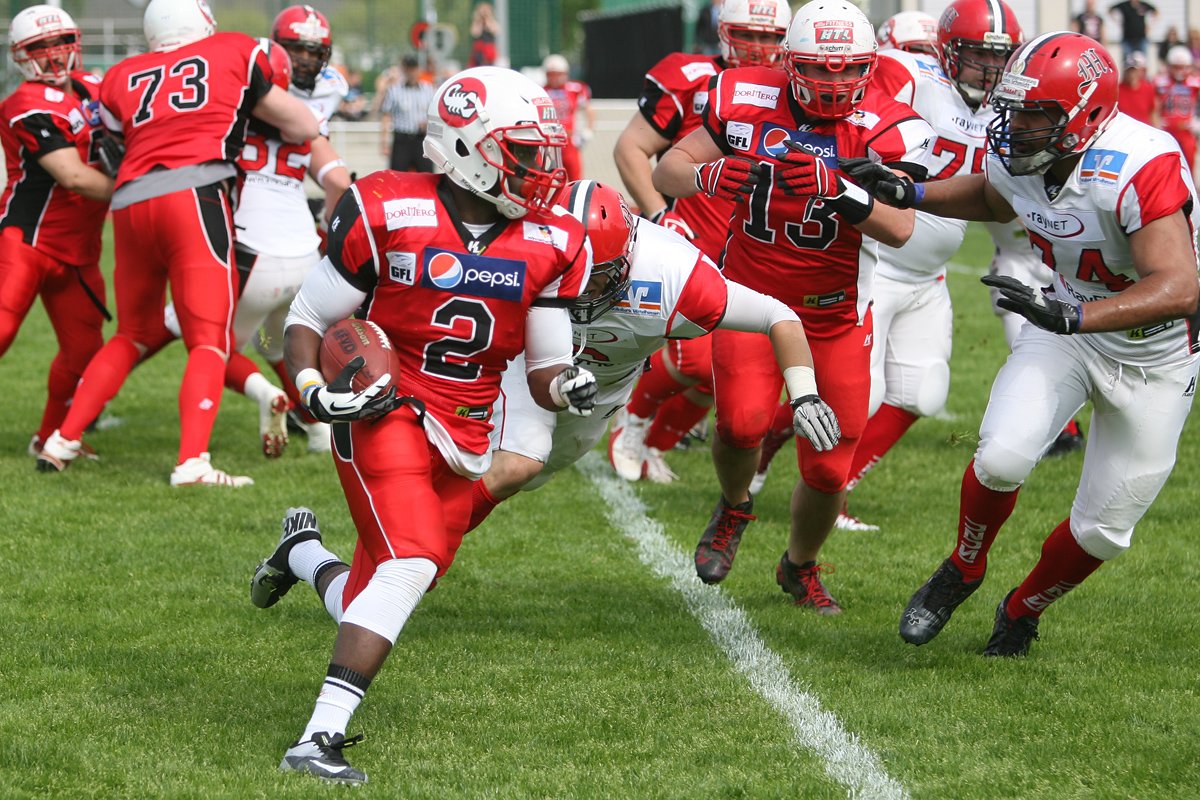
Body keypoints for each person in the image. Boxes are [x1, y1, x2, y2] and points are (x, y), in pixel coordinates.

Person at [248, 66, 598, 784]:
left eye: (542, 150)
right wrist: (313, 390)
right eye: (522, 151)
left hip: (467, 428)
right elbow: (308, 318)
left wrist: (568, 384)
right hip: (386, 405)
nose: (541, 168)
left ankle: (303, 553)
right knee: (408, 564)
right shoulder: (387, 207)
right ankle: (316, 740)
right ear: (465, 147)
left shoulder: (556, 236)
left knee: (384, 591)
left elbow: (544, 370)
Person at [845, 32, 1200, 657]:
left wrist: (1076, 315)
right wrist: (910, 191)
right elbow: (993, 196)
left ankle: (1022, 608)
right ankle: (963, 567)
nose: (1016, 126)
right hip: (1067, 329)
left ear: (1085, 114)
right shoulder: (1028, 150)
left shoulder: (1137, 162)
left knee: (1104, 529)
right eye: (1014, 109)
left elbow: (1179, 286)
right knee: (1002, 457)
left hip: (1156, 355)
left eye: (1035, 113)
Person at [652, 0, 935, 611]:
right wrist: (705, 177)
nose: (835, 81)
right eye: (819, 68)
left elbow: (901, 228)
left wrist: (843, 192)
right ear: (789, 61)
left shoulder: (890, 125)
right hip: (752, 300)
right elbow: (668, 170)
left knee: (830, 469)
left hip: (835, 314)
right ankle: (734, 505)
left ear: (869, 65)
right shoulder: (743, 95)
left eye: (849, 68)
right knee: (740, 424)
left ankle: (799, 565)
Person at [35, 0, 320, 484]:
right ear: (204, 22)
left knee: (132, 334)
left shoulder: (120, 75)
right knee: (208, 338)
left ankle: (62, 440)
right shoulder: (233, 49)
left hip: (130, 201)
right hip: (195, 193)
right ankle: (192, 463)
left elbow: (117, 140)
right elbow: (304, 126)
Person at [470, 180, 839, 531]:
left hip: (602, 390)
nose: (577, 287)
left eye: (594, 274)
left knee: (535, 473)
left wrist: (804, 395)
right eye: (567, 270)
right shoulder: (528, 240)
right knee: (512, 463)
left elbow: (778, 315)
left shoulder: (675, 276)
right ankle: (434, 547)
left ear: (626, 258)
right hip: (529, 361)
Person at [609, 0, 790, 484]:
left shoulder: (794, 89)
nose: (760, 47)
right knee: (697, 360)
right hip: (693, 240)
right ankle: (633, 419)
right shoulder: (692, 77)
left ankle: (653, 443)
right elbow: (631, 148)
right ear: (724, 32)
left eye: (771, 37)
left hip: (759, 248)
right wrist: (659, 213)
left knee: (726, 374)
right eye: (749, 34)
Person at [222, 4, 353, 456]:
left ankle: (267, 395)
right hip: (305, 253)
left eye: (313, 52)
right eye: (299, 50)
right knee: (279, 345)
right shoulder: (323, 99)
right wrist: (329, 233)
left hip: (252, 245)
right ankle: (320, 431)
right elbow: (339, 181)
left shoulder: (244, 87)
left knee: (210, 345)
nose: (306, 59)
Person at [0, 6, 115, 458]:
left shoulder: (95, 86)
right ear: (20, 55)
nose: (53, 54)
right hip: (28, 242)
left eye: (61, 42)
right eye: (40, 47)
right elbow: (73, 177)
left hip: (80, 250)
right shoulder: (25, 103)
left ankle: (49, 435)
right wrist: (141, 191)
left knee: (84, 349)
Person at [542, 54, 593, 181]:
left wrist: (588, 130)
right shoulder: (541, 91)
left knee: (576, 180)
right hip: (548, 142)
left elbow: (589, 110)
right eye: (551, 74)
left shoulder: (575, 89)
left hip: (569, 140)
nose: (555, 78)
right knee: (545, 181)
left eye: (558, 74)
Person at [379, 55, 434, 172]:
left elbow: (436, 114)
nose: (411, 72)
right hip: (402, 139)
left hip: (421, 139)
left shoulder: (428, 89)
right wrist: (384, 142)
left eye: (414, 68)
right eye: (408, 68)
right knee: (397, 175)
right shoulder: (394, 90)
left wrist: (428, 124)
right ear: (404, 69)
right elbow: (386, 116)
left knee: (427, 175)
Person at [1154, 45, 1200, 171]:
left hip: (1186, 130)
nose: (1179, 71)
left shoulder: (1194, 83)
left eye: (1182, 67)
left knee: (1189, 165)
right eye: (1176, 67)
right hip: (1166, 130)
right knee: (1165, 167)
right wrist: (1156, 122)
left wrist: (1196, 120)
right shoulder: (1160, 82)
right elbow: (1153, 106)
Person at [1119, 51, 1156, 124]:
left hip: (1144, 128)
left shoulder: (1148, 88)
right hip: (1125, 128)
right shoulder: (1117, 90)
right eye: (1129, 71)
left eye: (1133, 71)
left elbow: (1153, 112)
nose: (1131, 74)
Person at [468, 2, 499, 68]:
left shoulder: (492, 21)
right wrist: (479, 21)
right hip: (479, 50)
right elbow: (475, 33)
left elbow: (495, 30)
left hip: (489, 50)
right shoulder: (476, 22)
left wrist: (488, 19)